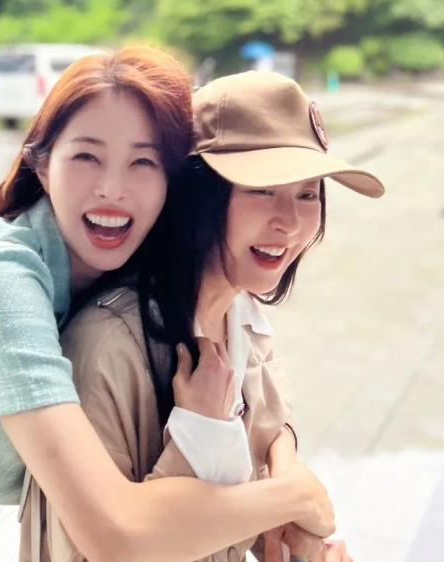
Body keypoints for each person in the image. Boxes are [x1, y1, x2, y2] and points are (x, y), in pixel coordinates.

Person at [0, 50, 334, 562]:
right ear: (41, 165)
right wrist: (295, 496)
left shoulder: (137, 262)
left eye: (143, 162)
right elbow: (112, 532)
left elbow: (256, 375)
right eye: (86, 157)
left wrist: (280, 459)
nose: (113, 189)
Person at [21, 71, 384, 562]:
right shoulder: (109, 349)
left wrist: (285, 501)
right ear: (198, 193)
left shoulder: (242, 314)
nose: (290, 222)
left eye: (307, 194)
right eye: (262, 190)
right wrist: (202, 438)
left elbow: (271, 426)